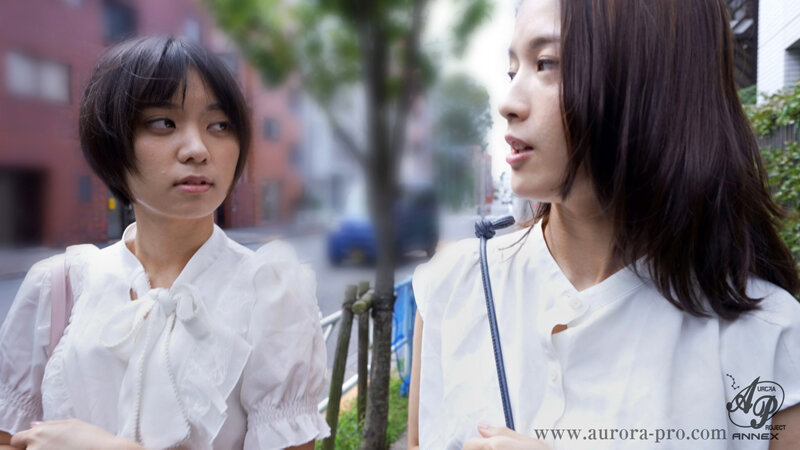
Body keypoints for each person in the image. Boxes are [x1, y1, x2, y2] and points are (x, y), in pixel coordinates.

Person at [408, 0, 800, 448]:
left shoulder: (768, 337)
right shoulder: (455, 286)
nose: (508, 103)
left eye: (547, 63)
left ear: (652, 80)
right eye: (513, 71)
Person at [0, 37, 329, 450]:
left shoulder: (272, 294)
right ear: (113, 142)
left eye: (219, 125)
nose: (197, 150)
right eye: (163, 123)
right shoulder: (58, 287)